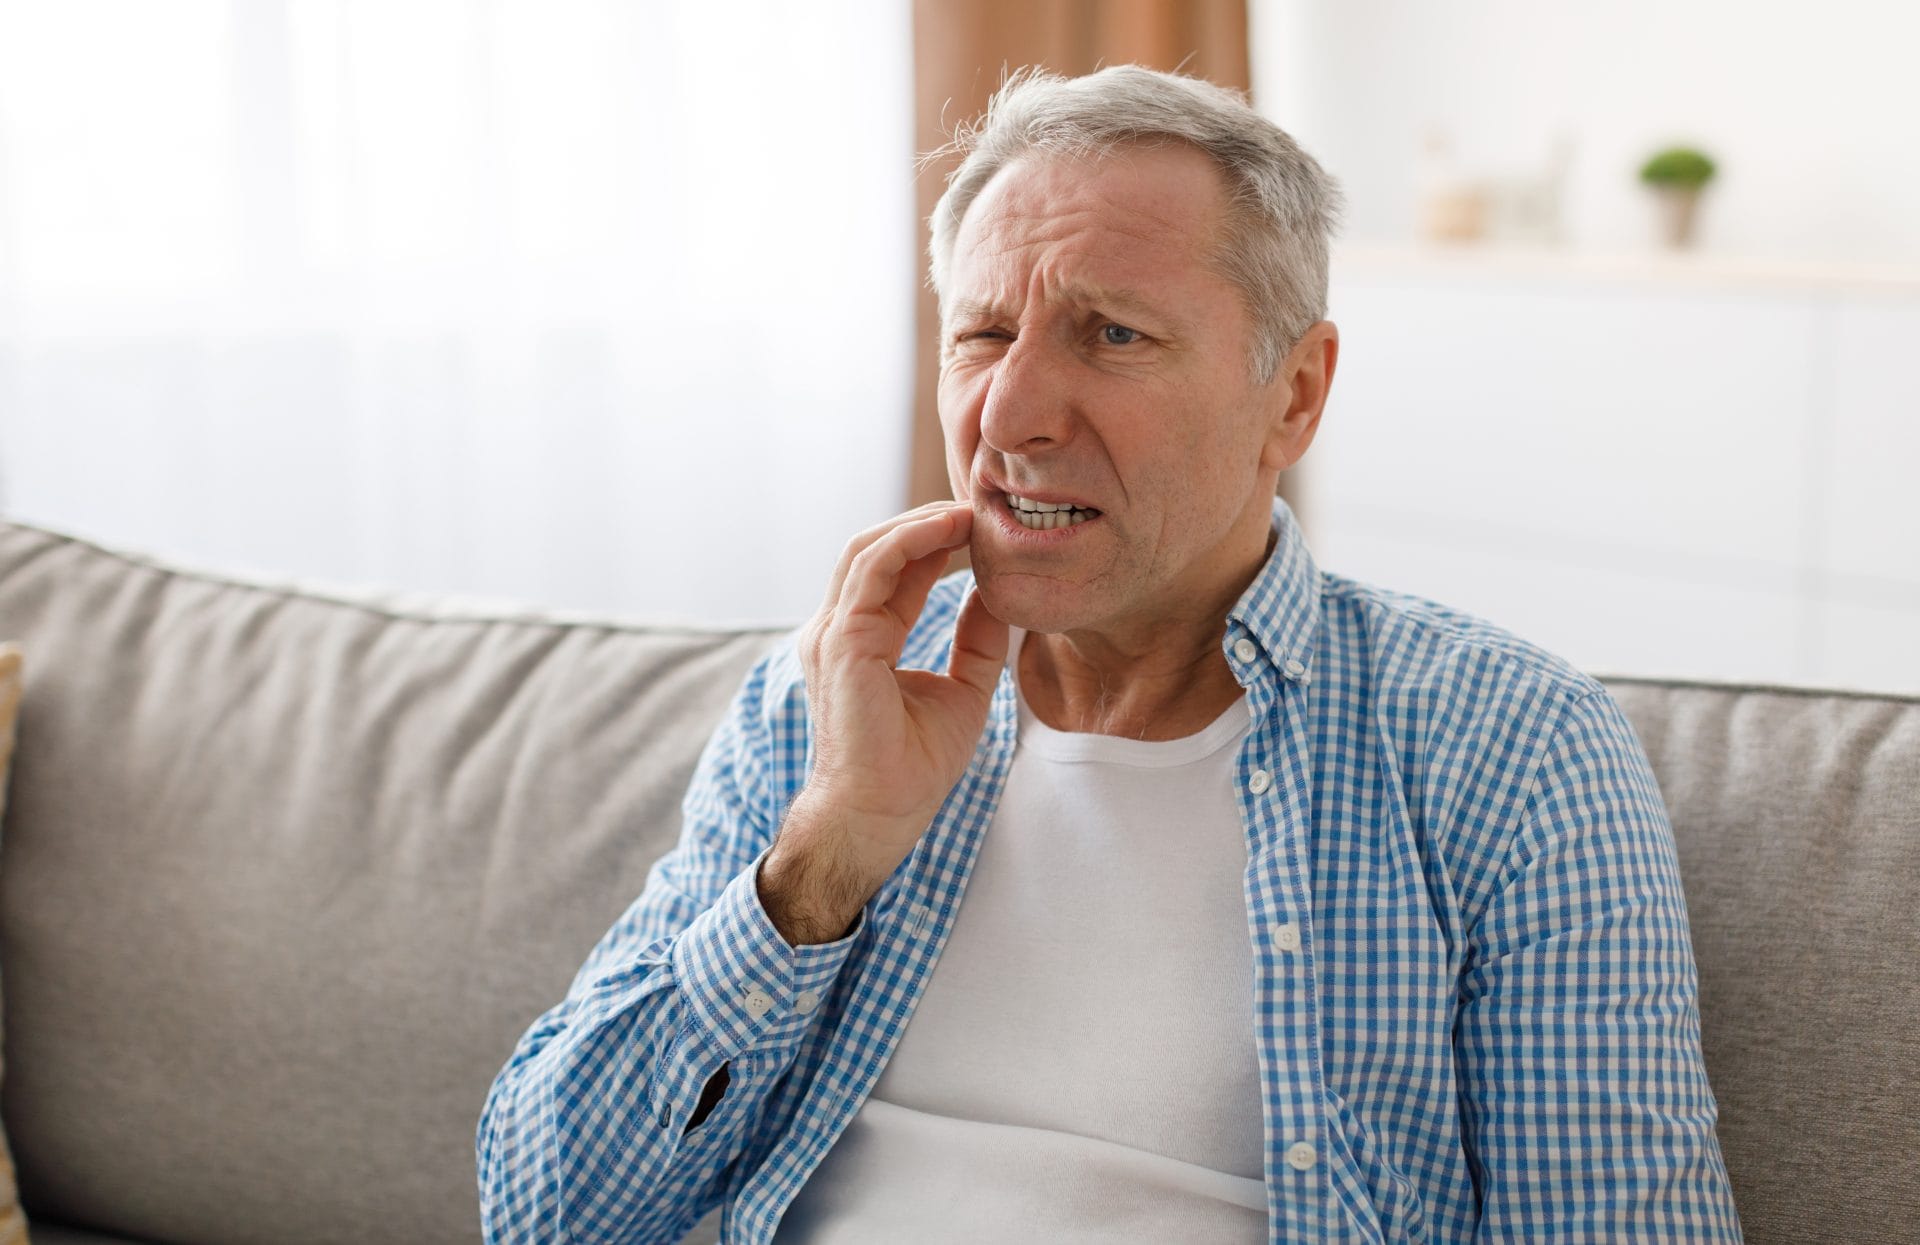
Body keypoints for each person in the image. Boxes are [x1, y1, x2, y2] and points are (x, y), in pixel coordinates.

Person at [477, 66, 1743, 1244]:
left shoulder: (1507, 749)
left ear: (1292, 396)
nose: (1011, 415)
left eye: (1112, 335)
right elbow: (542, 1210)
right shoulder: (825, 703)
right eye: (980, 336)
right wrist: (823, 857)